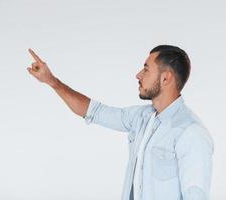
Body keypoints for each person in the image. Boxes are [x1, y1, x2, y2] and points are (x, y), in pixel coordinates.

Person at [27, 45, 214, 200]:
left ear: (166, 78)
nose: (138, 75)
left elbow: (196, 195)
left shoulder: (191, 132)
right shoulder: (141, 118)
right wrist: (52, 81)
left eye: (146, 69)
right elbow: (93, 111)